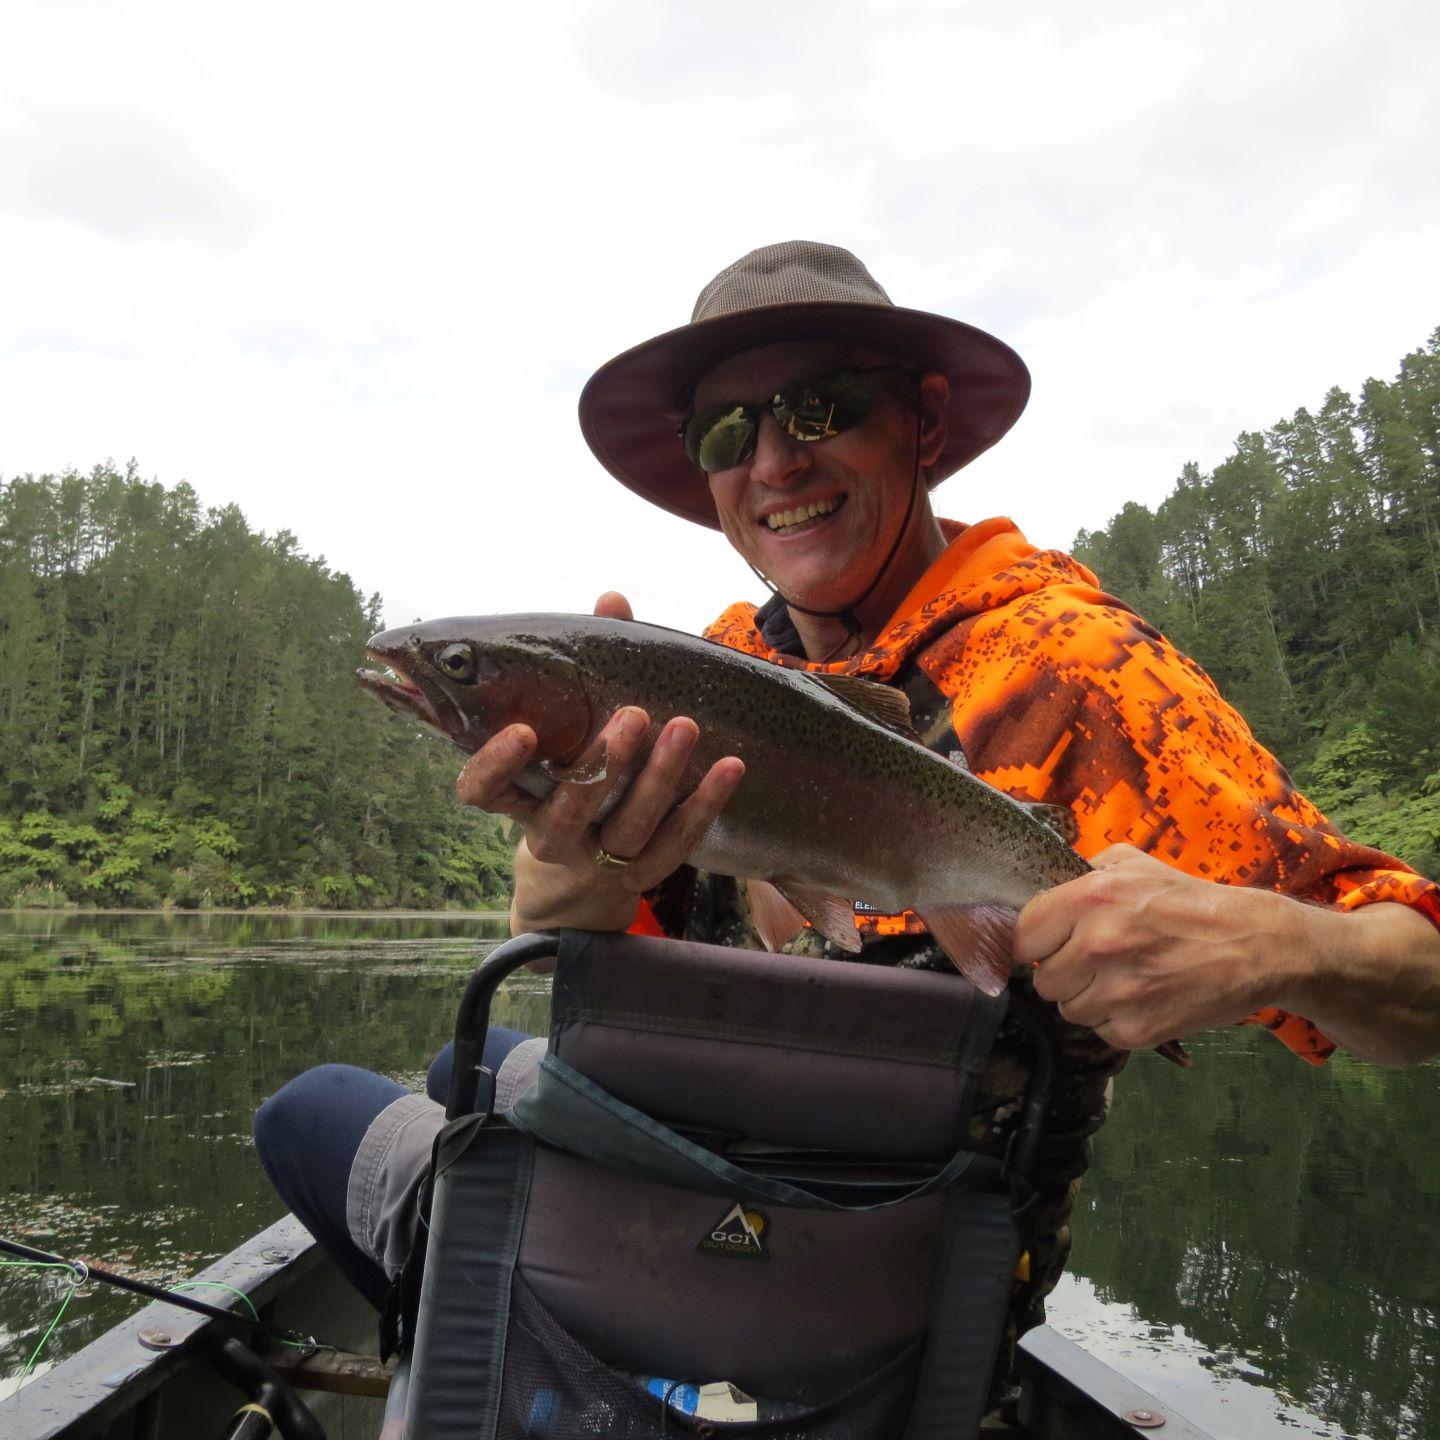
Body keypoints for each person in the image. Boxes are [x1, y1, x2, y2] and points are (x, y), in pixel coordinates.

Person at [256, 241, 1440, 1399]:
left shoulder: (1075, 674)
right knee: (462, 1060)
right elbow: (591, 960)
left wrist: (1281, 944)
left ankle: (525, 1372)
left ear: (922, 426)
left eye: (818, 409)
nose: (773, 460)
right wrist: (570, 868)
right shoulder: (717, 674)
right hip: (720, 1198)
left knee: (312, 1112)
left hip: (863, 1287)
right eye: (730, 431)